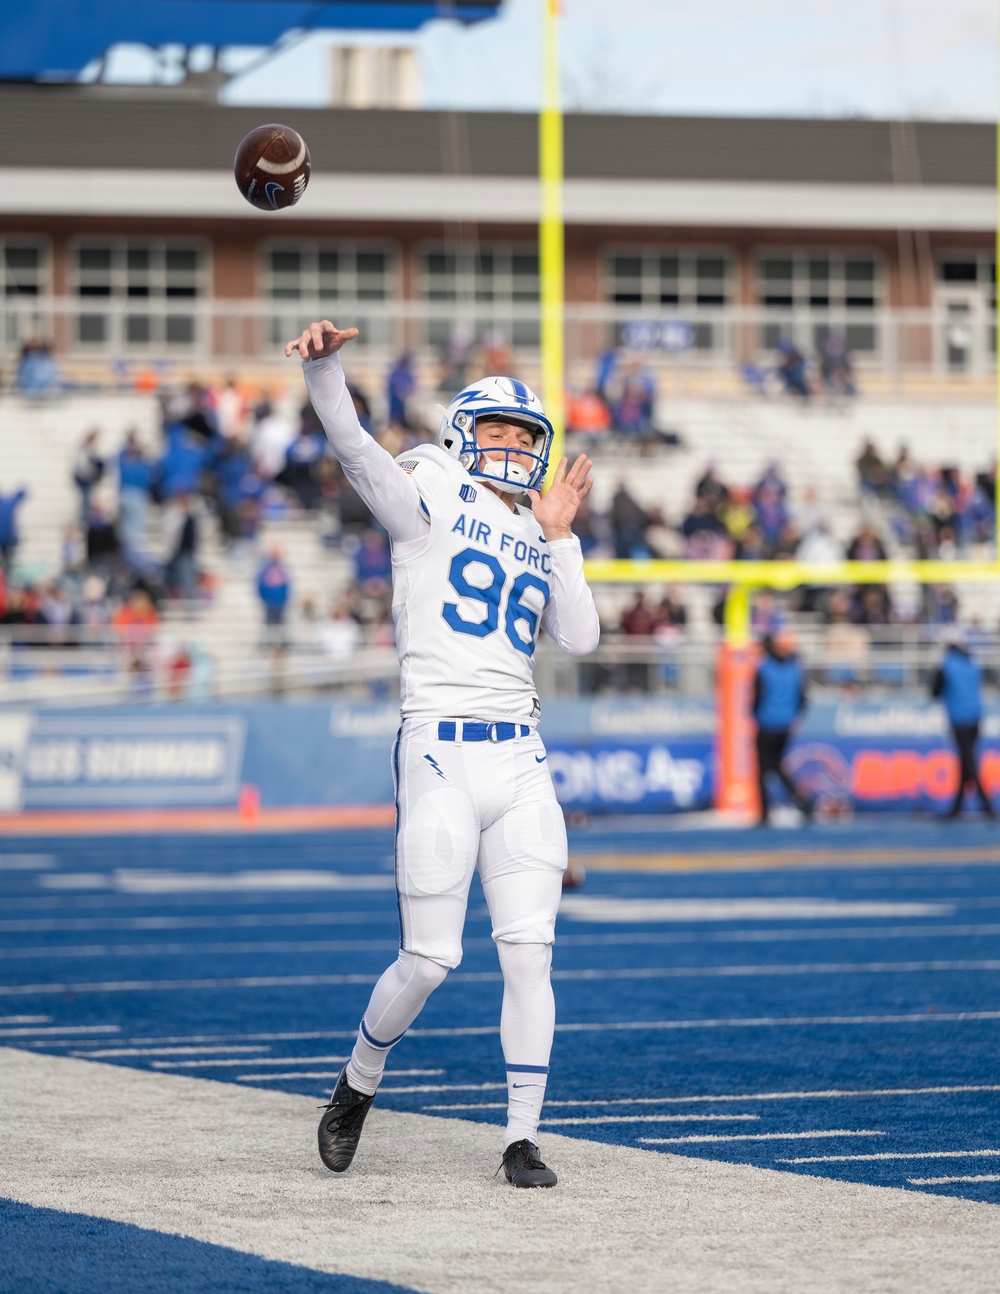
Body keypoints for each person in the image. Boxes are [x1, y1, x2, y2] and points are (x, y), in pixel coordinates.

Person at [286, 319, 599, 1190]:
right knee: (429, 959)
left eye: (525, 435)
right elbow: (354, 450)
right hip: (439, 749)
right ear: (465, 437)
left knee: (529, 952)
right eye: (497, 431)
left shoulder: (541, 529)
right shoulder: (429, 490)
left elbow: (580, 636)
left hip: (521, 754)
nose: (512, 446)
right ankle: (359, 1080)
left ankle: (521, 1140)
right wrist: (328, 371)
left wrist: (564, 540)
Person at [931, 629, 995, 819]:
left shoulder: (946, 665)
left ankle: (986, 805)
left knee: (968, 762)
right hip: (975, 716)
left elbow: (934, 691)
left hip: (959, 719)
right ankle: (957, 807)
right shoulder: (972, 662)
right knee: (966, 761)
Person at [752, 630, 814, 826]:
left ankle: (765, 812)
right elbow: (803, 698)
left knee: (764, 769)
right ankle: (801, 800)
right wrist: (795, 717)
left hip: (766, 724)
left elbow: (757, 695)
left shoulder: (764, 667)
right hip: (785, 725)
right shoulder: (796, 668)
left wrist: (754, 714)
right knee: (777, 766)